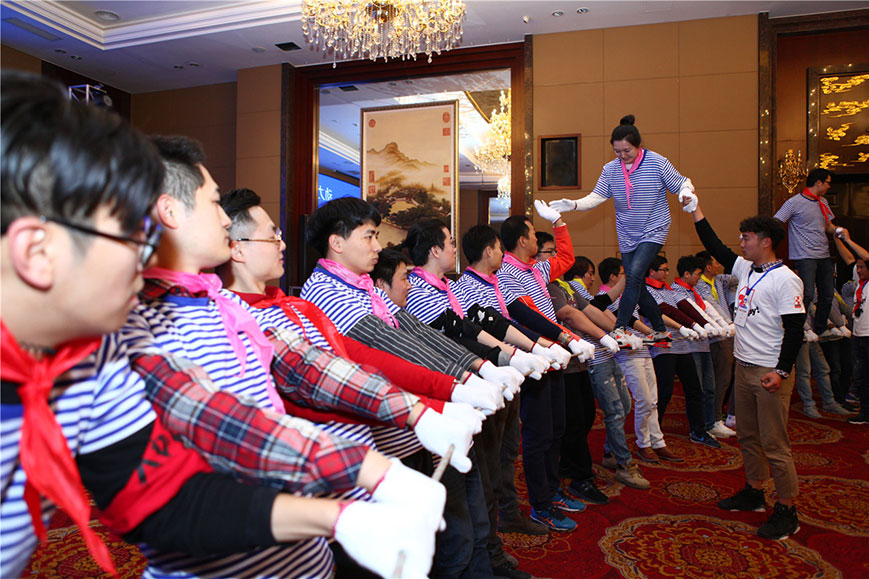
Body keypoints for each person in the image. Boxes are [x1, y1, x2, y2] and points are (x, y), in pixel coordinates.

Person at [0, 73, 443, 579]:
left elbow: (165, 496)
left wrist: (340, 516)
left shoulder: (90, 354)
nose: (146, 259)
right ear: (36, 252)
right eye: (130, 237)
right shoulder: (125, 333)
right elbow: (211, 421)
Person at [119, 136, 454, 577]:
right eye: (215, 203)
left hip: (304, 551)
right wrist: (362, 482)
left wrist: (419, 411)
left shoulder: (223, 304)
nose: (225, 219)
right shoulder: (139, 323)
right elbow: (222, 424)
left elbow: (310, 367)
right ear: (170, 211)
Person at [300, 197, 502, 579]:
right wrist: (459, 387)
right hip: (384, 437)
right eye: (369, 236)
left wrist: (475, 370)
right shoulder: (327, 293)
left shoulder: (362, 287)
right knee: (423, 549)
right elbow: (390, 351)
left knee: (448, 533)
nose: (378, 246)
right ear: (336, 243)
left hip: (410, 424)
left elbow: (415, 333)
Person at [692, 201, 805, 540]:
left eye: (746, 238)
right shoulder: (746, 269)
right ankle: (755, 492)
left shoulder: (786, 280)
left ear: (765, 241)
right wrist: (697, 211)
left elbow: (795, 330)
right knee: (748, 436)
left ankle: (787, 509)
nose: (741, 244)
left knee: (775, 443)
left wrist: (782, 371)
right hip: (744, 367)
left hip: (769, 370)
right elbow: (715, 246)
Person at [548, 114, 698, 342]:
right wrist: (574, 204)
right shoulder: (611, 169)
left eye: (627, 150)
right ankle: (659, 329)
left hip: (654, 229)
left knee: (634, 275)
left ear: (638, 146)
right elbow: (597, 196)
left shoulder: (657, 162)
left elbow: (682, 182)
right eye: (617, 151)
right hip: (627, 233)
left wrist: (686, 193)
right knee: (637, 284)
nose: (622, 155)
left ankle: (619, 328)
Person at [495, 205, 594, 532]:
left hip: (556, 358)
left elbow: (566, 258)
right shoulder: (507, 274)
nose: (538, 240)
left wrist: (559, 222)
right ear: (522, 240)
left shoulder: (536, 268)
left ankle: (552, 492)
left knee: (556, 430)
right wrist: (558, 341)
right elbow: (525, 319)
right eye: (533, 234)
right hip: (535, 361)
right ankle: (541, 504)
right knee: (538, 435)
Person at [597, 257, 683, 464]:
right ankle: (644, 443)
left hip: (643, 351)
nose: (629, 277)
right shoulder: (604, 298)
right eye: (624, 274)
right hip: (627, 355)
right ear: (613, 277)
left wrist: (654, 334)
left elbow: (642, 315)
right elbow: (623, 320)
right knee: (643, 400)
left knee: (653, 399)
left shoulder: (630, 293)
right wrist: (648, 334)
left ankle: (657, 441)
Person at [644, 255, 722, 449]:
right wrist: (692, 325)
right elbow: (666, 310)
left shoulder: (668, 289)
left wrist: (706, 324)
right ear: (651, 271)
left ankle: (698, 431)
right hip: (664, 346)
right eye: (663, 269)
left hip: (683, 346)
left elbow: (686, 307)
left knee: (694, 390)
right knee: (664, 392)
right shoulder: (646, 291)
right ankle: (654, 433)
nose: (667, 273)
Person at [672, 255, 735, 439]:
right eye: (697, 274)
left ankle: (710, 423)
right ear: (686, 274)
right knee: (697, 389)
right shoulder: (676, 291)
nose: (699, 278)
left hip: (704, 345)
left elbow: (707, 309)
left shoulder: (693, 290)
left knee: (710, 387)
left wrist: (722, 325)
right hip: (690, 346)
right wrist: (714, 327)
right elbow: (693, 314)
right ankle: (698, 427)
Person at [774, 168, 838, 336]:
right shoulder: (793, 202)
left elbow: (828, 226)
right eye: (828, 183)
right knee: (806, 293)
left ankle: (821, 328)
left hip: (823, 254)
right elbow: (777, 220)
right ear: (818, 182)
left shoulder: (823, 202)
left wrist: (838, 230)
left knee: (828, 294)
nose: (829, 186)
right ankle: (798, 329)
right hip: (804, 255)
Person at [695, 251, 738, 429]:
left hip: (728, 332)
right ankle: (714, 418)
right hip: (718, 335)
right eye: (716, 263)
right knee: (721, 378)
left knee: (728, 377)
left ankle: (720, 414)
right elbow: (711, 304)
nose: (719, 265)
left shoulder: (719, 280)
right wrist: (728, 324)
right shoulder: (699, 284)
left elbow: (738, 278)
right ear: (708, 267)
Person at [832, 228, 868, 425]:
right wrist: (837, 239)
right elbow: (848, 258)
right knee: (861, 375)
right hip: (858, 333)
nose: (858, 270)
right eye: (858, 268)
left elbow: (866, 257)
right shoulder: (860, 281)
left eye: (862, 267)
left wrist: (848, 239)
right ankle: (865, 412)